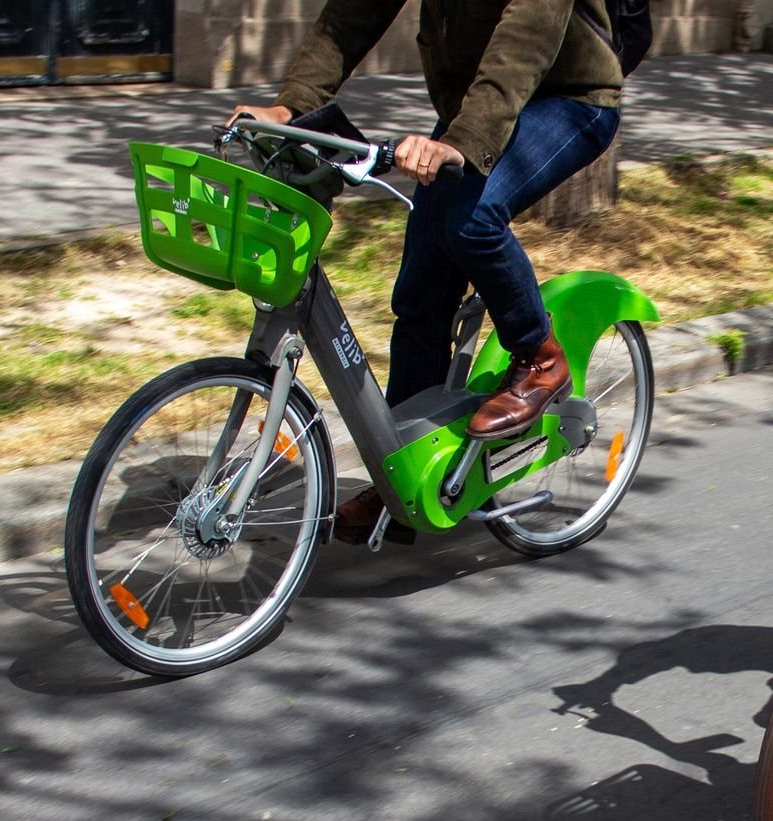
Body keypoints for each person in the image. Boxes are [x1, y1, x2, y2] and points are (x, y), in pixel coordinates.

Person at [234, 0, 625, 541]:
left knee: (472, 220)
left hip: (564, 98)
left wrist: (462, 141)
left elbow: (527, 33)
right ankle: (400, 481)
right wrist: (291, 106)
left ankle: (541, 356)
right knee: (420, 292)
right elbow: (351, 15)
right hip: (472, 113)